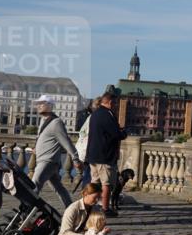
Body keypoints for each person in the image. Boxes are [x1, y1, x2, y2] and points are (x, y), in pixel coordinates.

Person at [31, 94, 83, 210]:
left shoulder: (56, 123)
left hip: (48, 161)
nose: (38, 106)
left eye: (41, 103)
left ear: (49, 106)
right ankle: (72, 210)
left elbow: (67, 142)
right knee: (59, 188)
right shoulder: (44, 121)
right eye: (38, 104)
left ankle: (25, 215)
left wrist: (75, 159)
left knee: (33, 188)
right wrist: (37, 147)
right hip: (46, 160)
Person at [85, 88, 127, 217]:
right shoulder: (107, 114)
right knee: (106, 183)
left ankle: (89, 206)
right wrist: (123, 133)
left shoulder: (95, 114)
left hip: (93, 154)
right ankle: (105, 208)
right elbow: (115, 134)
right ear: (109, 102)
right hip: (105, 156)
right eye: (115, 103)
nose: (116, 106)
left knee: (94, 183)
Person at [75, 98, 100, 189]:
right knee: (89, 175)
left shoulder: (90, 117)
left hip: (84, 150)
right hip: (89, 150)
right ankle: (87, 195)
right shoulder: (94, 118)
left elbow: (82, 133)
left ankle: (86, 194)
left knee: (88, 174)